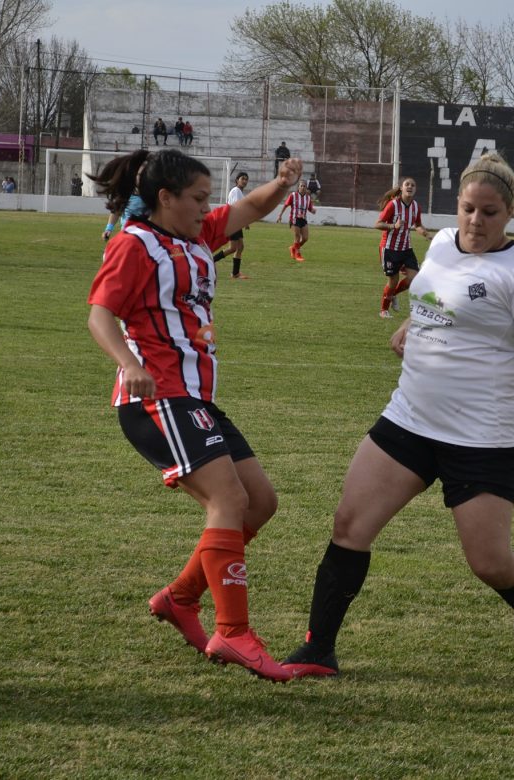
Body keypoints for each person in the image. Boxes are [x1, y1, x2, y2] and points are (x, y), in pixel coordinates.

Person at [281, 153, 514, 679]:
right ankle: (318, 649)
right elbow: (435, 299)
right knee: (350, 525)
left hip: (481, 436)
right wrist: (413, 327)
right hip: (409, 418)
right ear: (454, 206)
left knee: (489, 563)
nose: (476, 221)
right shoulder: (438, 244)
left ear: (510, 215)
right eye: (467, 209)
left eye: (490, 212)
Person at [86, 149, 306, 682]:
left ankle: (180, 599)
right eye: (199, 199)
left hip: (194, 399)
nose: (208, 208)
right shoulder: (135, 245)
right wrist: (127, 364)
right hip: (156, 399)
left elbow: (248, 209)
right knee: (228, 499)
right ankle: (233, 633)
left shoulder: (193, 237)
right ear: (166, 198)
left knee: (260, 503)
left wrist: (281, 185)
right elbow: (99, 315)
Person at [375, 177, 431, 319]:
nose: (410, 187)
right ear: (401, 188)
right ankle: (383, 310)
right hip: (389, 248)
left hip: (406, 248)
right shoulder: (393, 205)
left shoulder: (416, 206)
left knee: (414, 278)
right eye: (407, 184)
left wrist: (425, 233)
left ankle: (393, 294)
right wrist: (393, 226)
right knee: (393, 281)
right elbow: (378, 224)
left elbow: (417, 224)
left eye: (413, 185)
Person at [212, 172, 251, 279]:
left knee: (240, 247)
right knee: (233, 248)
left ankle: (235, 273)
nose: (244, 181)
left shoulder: (239, 192)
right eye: (242, 179)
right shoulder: (236, 191)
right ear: (237, 180)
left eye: (246, 179)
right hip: (232, 222)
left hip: (235, 222)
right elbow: (237, 208)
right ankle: (211, 261)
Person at [277, 179, 315, 262]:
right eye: (301, 186)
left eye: (304, 186)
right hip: (294, 219)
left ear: (306, 188)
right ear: (298, 187)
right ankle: (298, 254)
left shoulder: (308, 198)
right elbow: (285, 205)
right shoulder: (293, 195)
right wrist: (280, 215)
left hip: (303, 219)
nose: (302, 187)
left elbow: (310, 208)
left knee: (305, 238)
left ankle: (293, 248)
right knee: (297, 236)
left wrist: (313, 211)